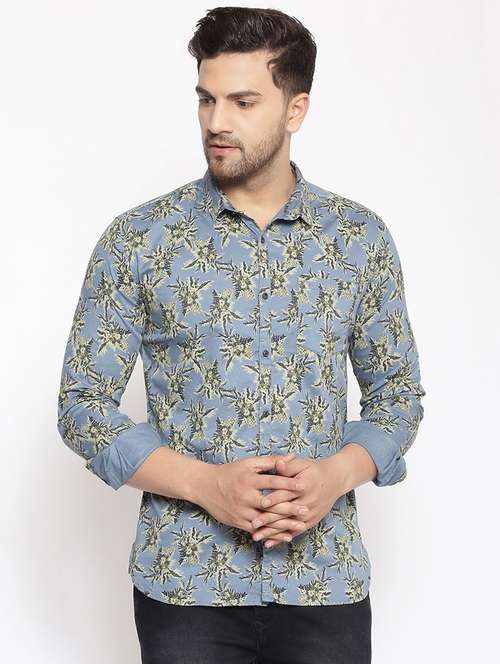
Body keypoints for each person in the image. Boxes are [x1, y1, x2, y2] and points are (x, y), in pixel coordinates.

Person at [56, 6, 426, 663]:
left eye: (243, 102)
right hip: (185, 587)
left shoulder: (358, 239)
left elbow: (397, 394)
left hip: (324, 584)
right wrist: (206, 485)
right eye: (207, 99)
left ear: (295, 109)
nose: (216, 122)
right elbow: (82, 405)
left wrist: (335, 475)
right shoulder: (139, 239)